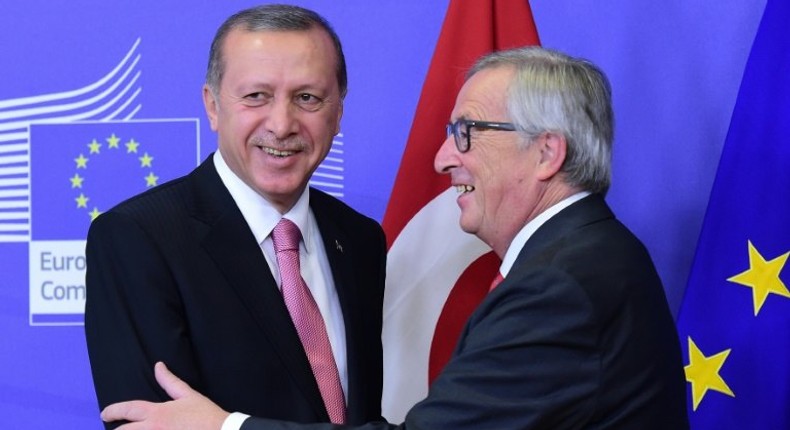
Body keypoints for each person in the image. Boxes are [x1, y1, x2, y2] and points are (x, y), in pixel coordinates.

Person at [99, 46, 690, 429]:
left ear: (546, 152)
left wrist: (226, 428)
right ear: (213, 105)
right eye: (255, 96)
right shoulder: (586, 256)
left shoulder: (562, 282)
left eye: (466, 133)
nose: (441, 159)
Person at [84, 4, 386, 429]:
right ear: (212, 106)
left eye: (307, 98)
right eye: (256, 96)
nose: (282, 124)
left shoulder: (360, 239)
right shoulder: (138, 238)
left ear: (338, 112)